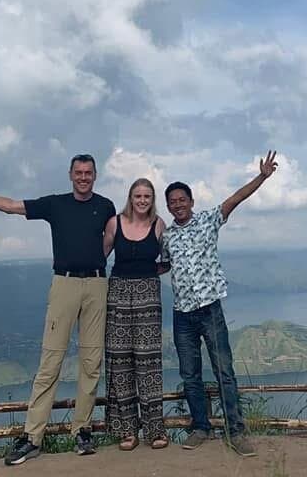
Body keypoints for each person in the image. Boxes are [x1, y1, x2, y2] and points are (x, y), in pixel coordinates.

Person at [0, 154, 115, 464]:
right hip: (64, 284)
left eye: (88, 173)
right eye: (78, 172)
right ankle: (32, 437)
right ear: (70, 175)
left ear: (95, 175)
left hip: (96, 285)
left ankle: (82, 431)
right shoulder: (55, 204)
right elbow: (12, 206)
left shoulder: (105, 206)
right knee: (50, 361)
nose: (83, 177)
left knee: (92, 362)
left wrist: (96, 261)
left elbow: (109, 239)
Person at [161, 150, 279, 458]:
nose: (177, 204)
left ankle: (236, 432)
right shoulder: (167, 236)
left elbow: (236, 198)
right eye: (172, 201)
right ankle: (201, 427)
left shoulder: (209, 220)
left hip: (210, 309)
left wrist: (263, 177)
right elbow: (162, 266)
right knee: (190, 375)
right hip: (182, 315)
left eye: (181, 199)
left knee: (224, 372)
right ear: (168, 206)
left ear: (191, 201)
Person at [102, 178, 169, 450]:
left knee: (148, 363)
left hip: (148, 297)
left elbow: (168, 259)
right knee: (120, 363)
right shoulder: (114, 223)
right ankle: (127, 431)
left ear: (153, 200)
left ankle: (155, 431)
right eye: (138, 195)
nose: (142, 200)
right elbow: (99, 256)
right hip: (117, 294)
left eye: (147, 196)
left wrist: (147, 276)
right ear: (130, 197)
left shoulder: (159, 225)